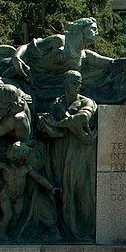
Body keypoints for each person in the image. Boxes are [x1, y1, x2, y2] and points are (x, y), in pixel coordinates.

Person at [37, 70, 99, 242]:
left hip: (80, 155)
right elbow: (56, 133)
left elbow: (80, 120)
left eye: (79, 82)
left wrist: (57, 121)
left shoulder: (87, 102)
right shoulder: (57, 103)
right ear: (65, 83)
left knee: (82, 193)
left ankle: (87, 231)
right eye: (73, 82)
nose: (76, 86)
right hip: (60, 153)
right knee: (64, 194)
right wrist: (46, 126)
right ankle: (68, 232)